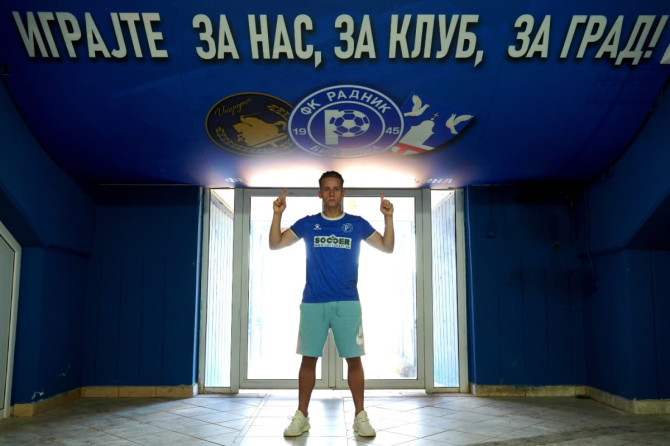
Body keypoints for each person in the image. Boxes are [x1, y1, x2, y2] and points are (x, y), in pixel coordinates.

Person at [269, 171, 394, 437]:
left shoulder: (357, 224)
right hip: (313, 301)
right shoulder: (308, 224)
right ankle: (301, 416)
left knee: (354, 360)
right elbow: (275, 244)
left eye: (336, 188)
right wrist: (277, 214)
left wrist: (388, 217)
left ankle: (360, 417)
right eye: (327, 189)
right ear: (320, 194)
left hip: (347, 303)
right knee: (308, 361)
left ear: (343, 192)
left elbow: (387, 246)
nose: (332, 193)